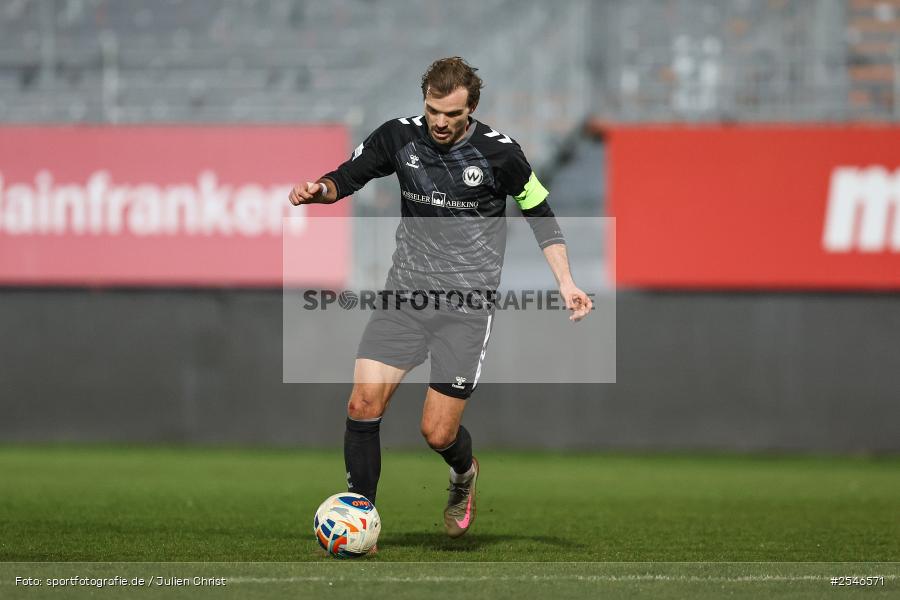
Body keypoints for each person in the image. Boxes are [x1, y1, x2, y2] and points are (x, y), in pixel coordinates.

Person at [289, 57, 591, 545]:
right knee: (363, 402)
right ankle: (360, 515)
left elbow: (541, 214)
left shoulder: (501, 154)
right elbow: (347, 177)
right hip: (404, 297)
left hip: (465, 311)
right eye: (432, 110)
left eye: (451, 114)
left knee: (436, 433)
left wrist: (567, 281)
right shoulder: (399, 137)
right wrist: (318, 189)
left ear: (471, 109)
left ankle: (464, 473)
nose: (440, 122)